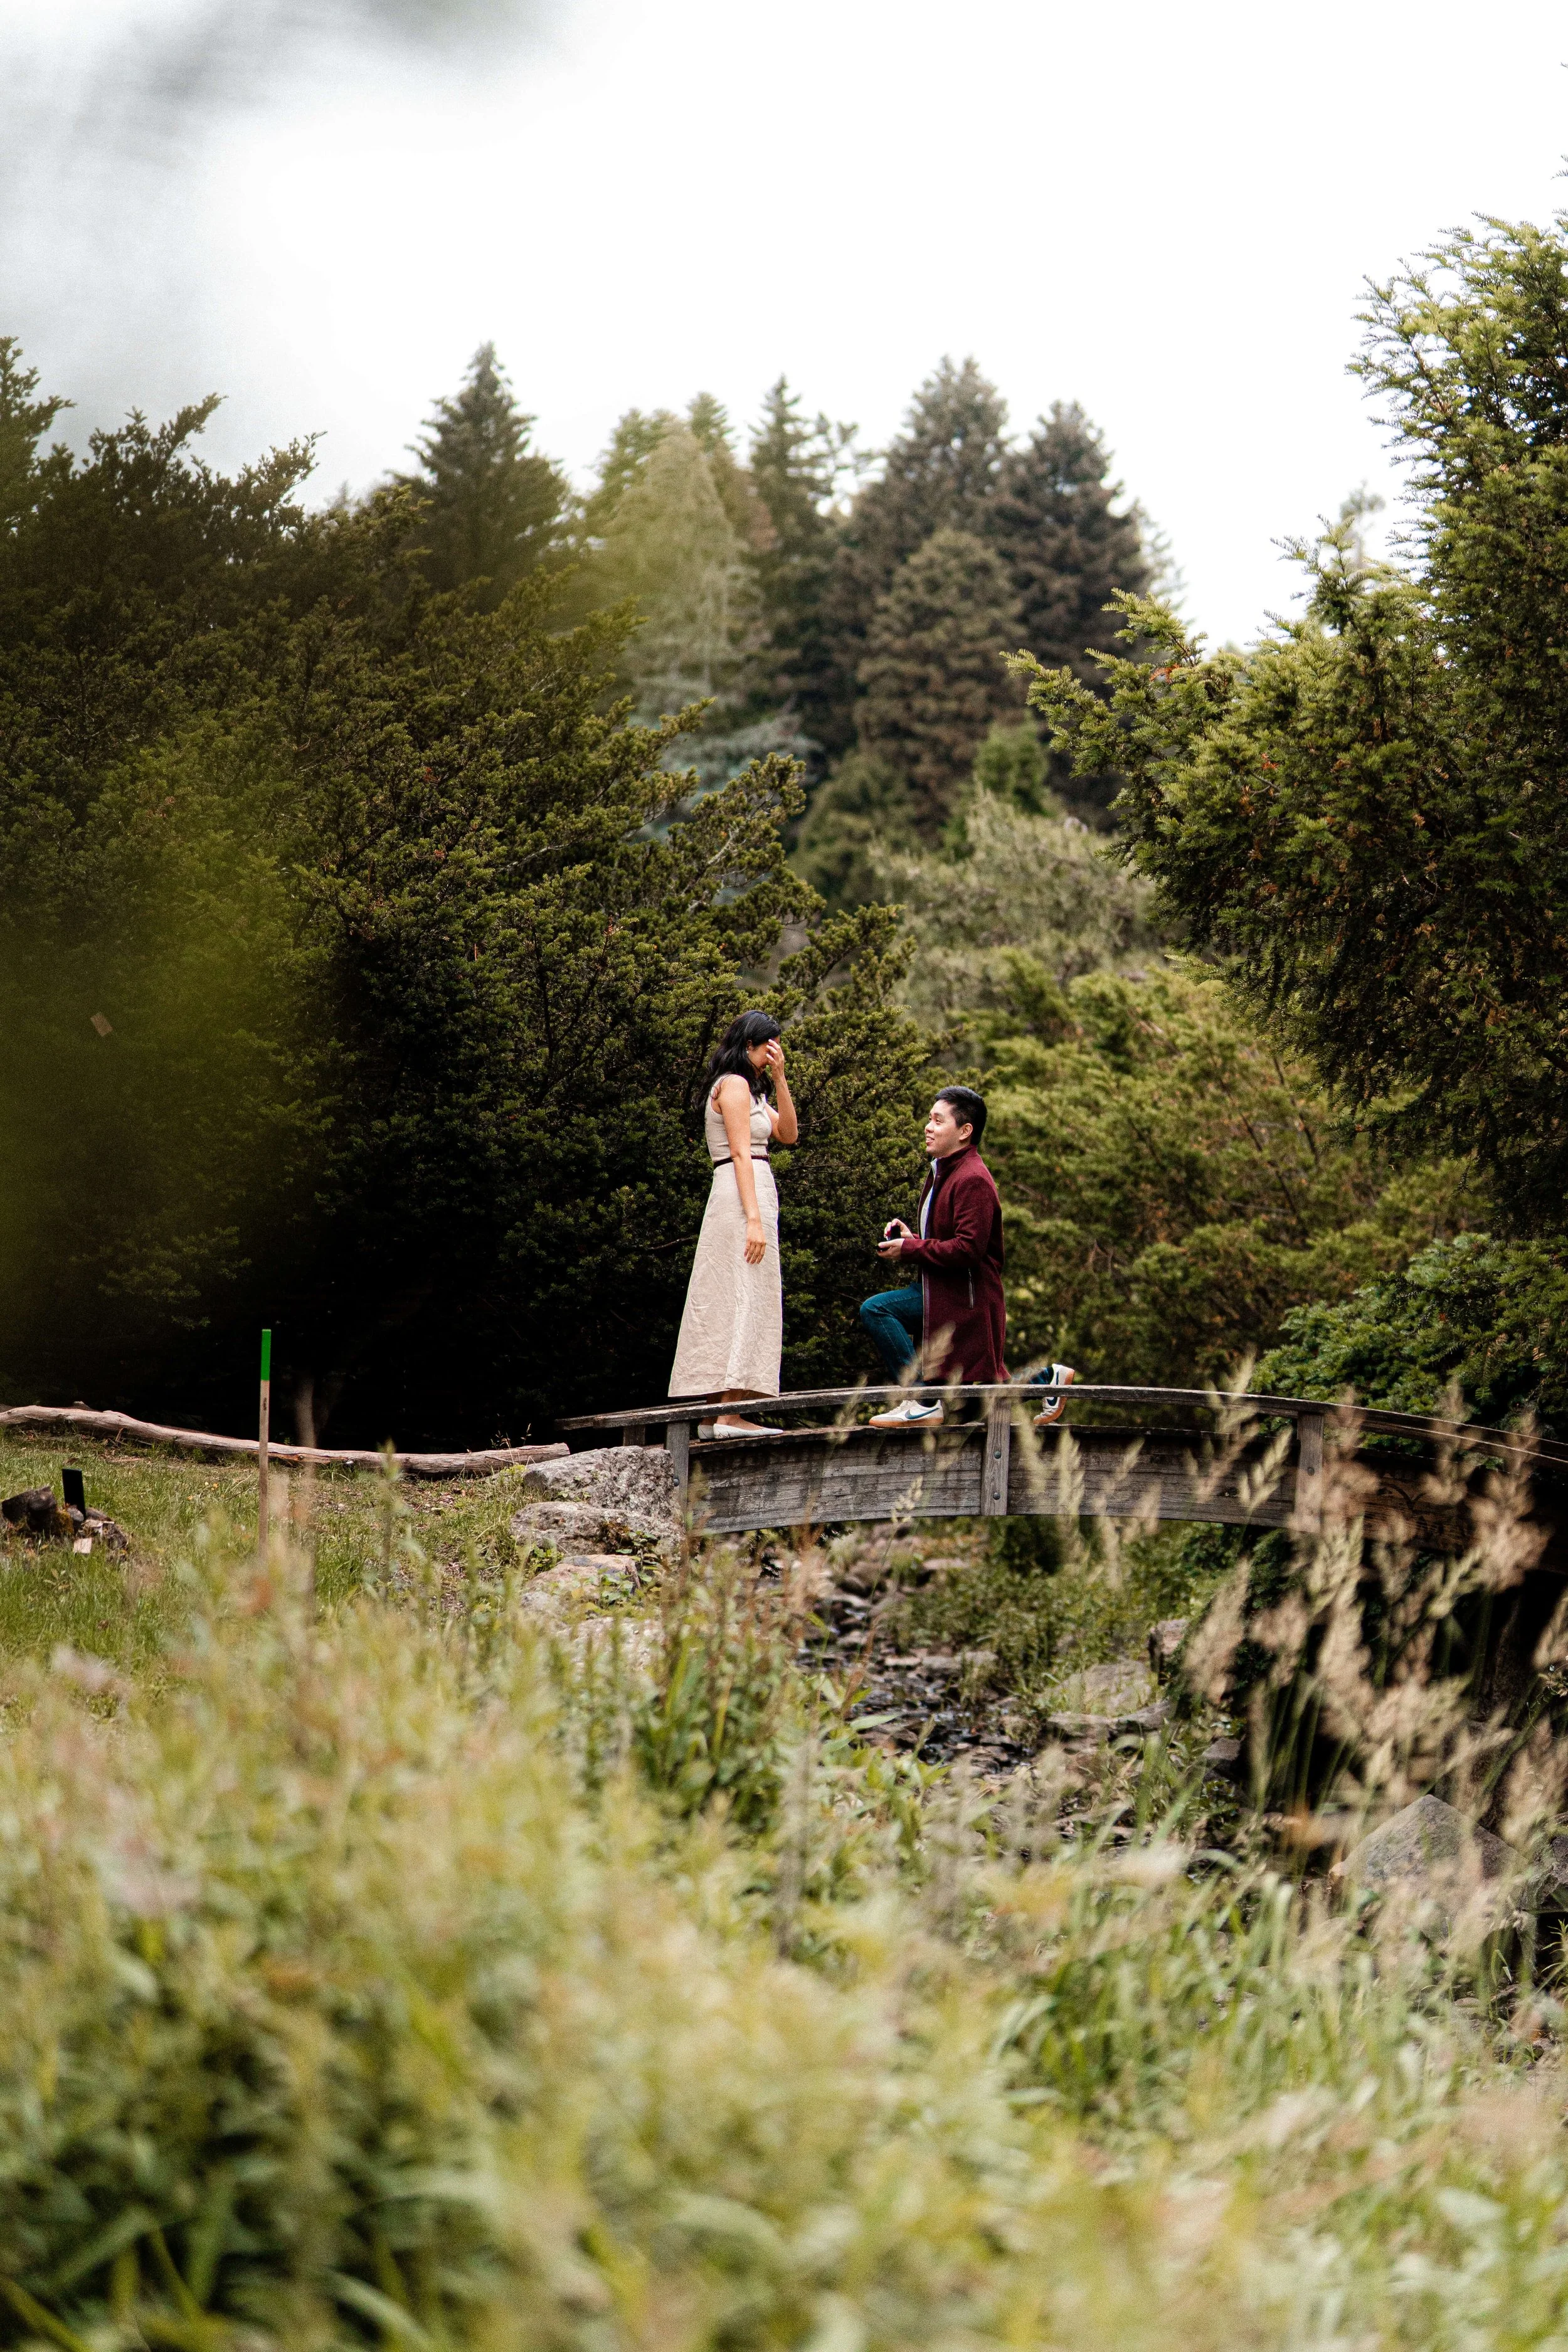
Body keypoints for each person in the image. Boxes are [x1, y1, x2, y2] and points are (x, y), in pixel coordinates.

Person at [859, 1086, 1075, 1429]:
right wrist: (912, 1239)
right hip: (946, 1291)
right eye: (929, 1119)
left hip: (966, 1298)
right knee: (987, 1388)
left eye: (937, 1120)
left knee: (877, 1309)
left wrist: (913, 1250)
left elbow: (968, 1250)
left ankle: (923, 1400)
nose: (928, 1127)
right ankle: (1045, 1379)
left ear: (964, 1131)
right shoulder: (944, 1171)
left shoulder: (973, 1178)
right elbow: (951, 1240)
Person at [669, 1009, 797, 1436]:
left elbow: (789, 1135)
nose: (771, 1055)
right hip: (742, 1191)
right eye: (767, 1048)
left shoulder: (753, 1089)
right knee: (743, 1293)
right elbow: (742, 1153)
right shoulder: (736, 1085)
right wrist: (755, 1220)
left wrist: (780, 1080)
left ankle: (714, 1415)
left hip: (749, 1188)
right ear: (749, 1046)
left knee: (736, 1293)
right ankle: (729, 1414)